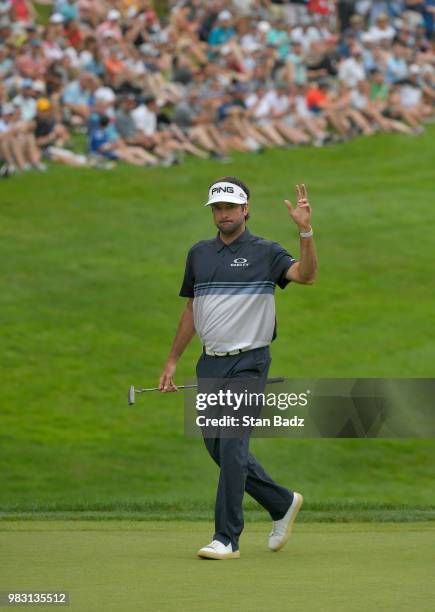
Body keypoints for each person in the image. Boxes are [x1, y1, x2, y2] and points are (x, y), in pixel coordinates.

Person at [159, 176, 318, 560]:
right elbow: (191, 310)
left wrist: (306, 232)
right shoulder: (199, 254)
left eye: (231, 207)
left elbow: (306, 275)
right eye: (218, 208)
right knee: (218, 447)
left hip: (249, 362)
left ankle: (226, 537)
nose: (224, 214)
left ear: (246, 209)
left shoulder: (266, 252)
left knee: (232, 445)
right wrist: (172, 360)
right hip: (209, 363)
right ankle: (281, 502)